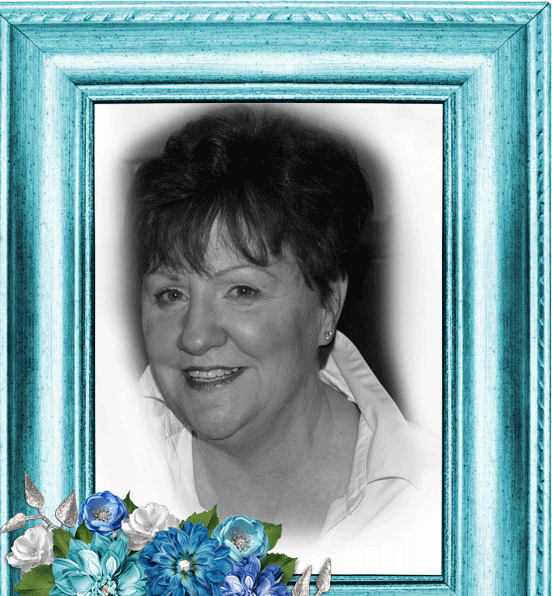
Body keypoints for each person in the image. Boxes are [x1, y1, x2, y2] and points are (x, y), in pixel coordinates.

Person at [128, 106, 440, 571]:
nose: (195, 336)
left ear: (327, 306)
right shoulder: (91, 482)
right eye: (171, 294)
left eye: (242, 291)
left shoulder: (440, 503)